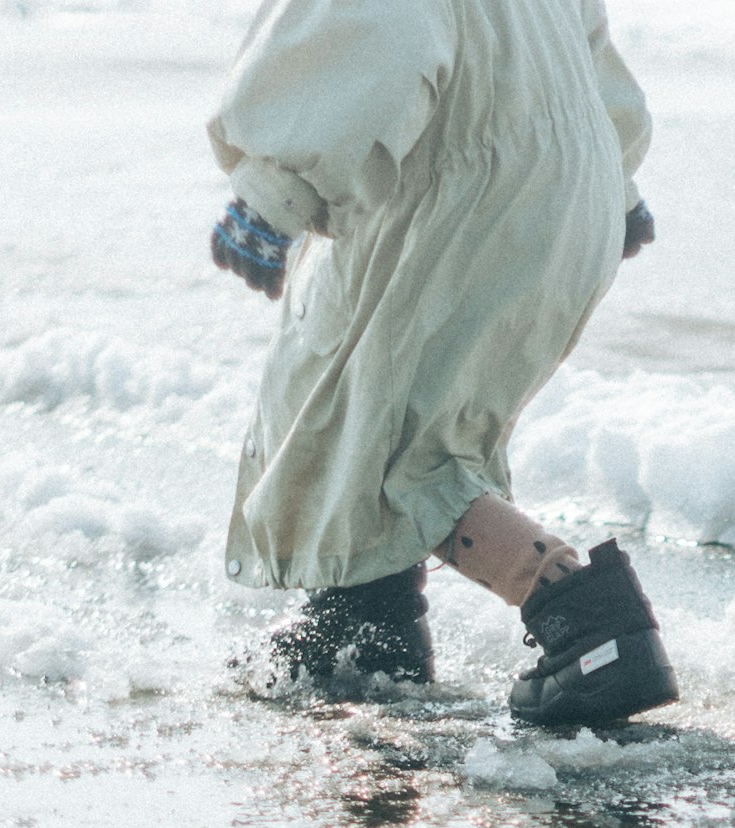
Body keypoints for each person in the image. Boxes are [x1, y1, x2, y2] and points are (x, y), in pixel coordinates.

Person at [205, 0, 678, 727]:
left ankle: (592, 626)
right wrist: (619, 183)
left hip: (461, 188)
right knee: (396, 410)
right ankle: (366, 624)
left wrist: (276, 187)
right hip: (565, 180)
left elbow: (362, 27)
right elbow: (584, 46)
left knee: (394, 445)